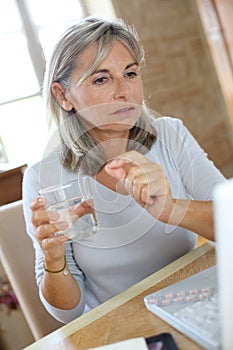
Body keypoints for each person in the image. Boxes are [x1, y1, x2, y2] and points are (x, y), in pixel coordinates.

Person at [23, 16, 226, 324]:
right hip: (121, 327)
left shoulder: (170, 135)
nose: (125, 91)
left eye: (130, 73)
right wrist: (53, 259)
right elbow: (67, 312)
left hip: (197, 303)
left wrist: (171, 209)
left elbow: (230, 222)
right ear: (63, 96)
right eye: (101, 79)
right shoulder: (42, 178)